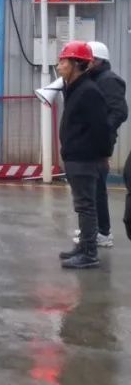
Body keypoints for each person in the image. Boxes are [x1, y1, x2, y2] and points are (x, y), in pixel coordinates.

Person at [55, 41, 111, 269]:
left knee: (86, 206)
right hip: (76, 157)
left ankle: (89, 253)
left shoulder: (88, 91)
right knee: (81, 205)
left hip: (85, 159)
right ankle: (84, 246)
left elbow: (101, 128)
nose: (59, 66)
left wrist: (102, 156)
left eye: (63, 61)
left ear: (77, 64)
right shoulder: (74, 88)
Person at [83, 41, 126, 249]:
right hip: (91, 140)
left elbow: (119, 112)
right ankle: (93, 227)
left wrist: (101, 133)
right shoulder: (94, 79)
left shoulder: (108, 80)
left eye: (87, 60)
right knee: (90, 188)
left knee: (97, 187)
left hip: (99, 142)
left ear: (97, 60)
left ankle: (103, 231)